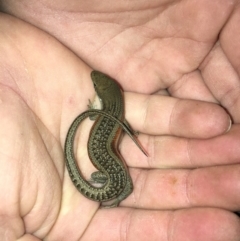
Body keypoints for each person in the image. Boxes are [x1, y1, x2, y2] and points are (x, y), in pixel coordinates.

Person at [0, 1, 239, 240]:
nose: (95, 83)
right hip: (109, 171)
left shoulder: (108, 113)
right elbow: (113, 129)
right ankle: (113, 195)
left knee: (119, 183)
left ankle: (112, 194)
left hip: (109, 169)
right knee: (121, 184)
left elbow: (101, 120)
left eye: (97, 85)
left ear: (106, 95)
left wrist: (99, 120)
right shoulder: (115, 109)